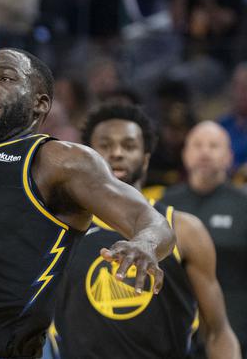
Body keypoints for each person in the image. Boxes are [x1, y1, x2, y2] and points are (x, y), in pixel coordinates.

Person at [0, 48, 175, 358]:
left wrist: (145, 245)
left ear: (40, 103)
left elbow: (152, 221)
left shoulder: (59, 161)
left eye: (5, 77)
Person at [52, 103, 239, 358]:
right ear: (89, 158)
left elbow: (218, 332)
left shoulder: (185, 229)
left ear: (146, 158)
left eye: (129, 146)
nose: (117, 153)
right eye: (105, 146)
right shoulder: (60, 229)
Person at [162, 121, 247, 352]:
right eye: (197, 145)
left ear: (229, 156)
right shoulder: (165, 203)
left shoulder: (243, 204)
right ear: (185, 154)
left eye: (213, 145)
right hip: (179, 331)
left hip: (236, 328)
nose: (205, 152)